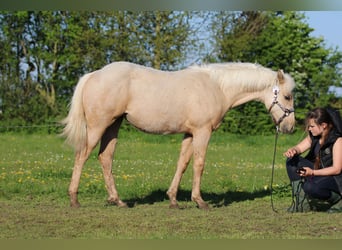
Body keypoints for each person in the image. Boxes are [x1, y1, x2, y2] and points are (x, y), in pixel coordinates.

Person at [284, 107, 342, 213]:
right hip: (319, 171)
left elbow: (337, 169)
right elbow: (299, 148)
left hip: (336, 178)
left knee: (310, 187)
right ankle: (301, 204)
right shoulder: (314, 136)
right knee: (291, 161)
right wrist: (293, 150)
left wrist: (313, 172)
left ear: (323, 125)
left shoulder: (338, 140)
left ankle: (338, 200)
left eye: (312, 126)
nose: (309, 129)